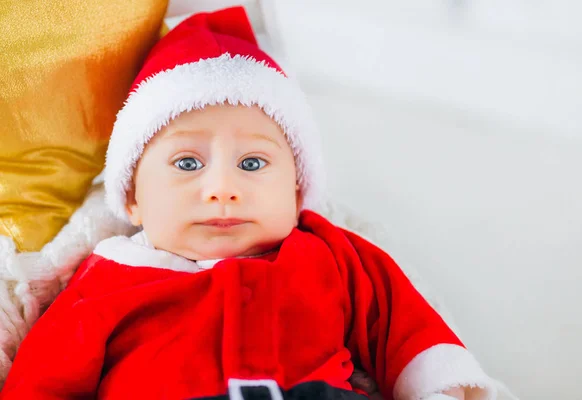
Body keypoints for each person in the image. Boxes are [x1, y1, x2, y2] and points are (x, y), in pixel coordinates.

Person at [0, 7, 496, 400]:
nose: (222, 188)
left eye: (253, 164)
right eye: (188, 164)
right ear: (132, 198)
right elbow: (43, 379)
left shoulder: (331, 254)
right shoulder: (107, 279)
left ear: (298, 190)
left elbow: (403, 324)